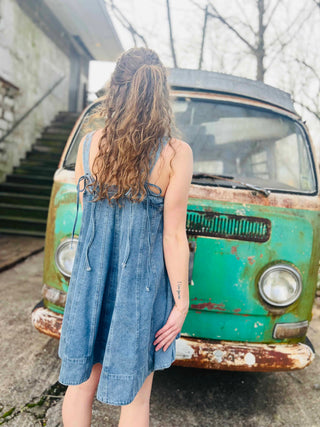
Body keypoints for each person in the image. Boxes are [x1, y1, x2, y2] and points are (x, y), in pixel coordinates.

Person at [58, 47, 193, 427]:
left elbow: (90, 221)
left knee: (80, 387)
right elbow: (173, 237)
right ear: (160, 95)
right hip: (141, 293)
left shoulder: (87, 146)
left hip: (89, 287)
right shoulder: (175, 154)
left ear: (114, 89)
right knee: (135, 398)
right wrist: (181, 303)